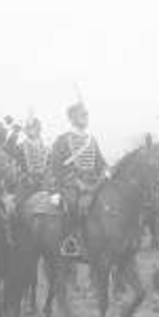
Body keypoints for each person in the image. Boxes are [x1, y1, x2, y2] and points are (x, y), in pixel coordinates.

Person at [49, 99, 107, 254]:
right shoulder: (63, 140)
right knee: (72, 205)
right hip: (71, 183)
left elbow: (100, 162)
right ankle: (70, 241)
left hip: (93, 182)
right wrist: (74, 181)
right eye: (82, 115)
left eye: (86, 115)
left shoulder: (91, 140)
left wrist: (106, 172)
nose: (85, 118)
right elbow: (56, 166)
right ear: (72, 118)